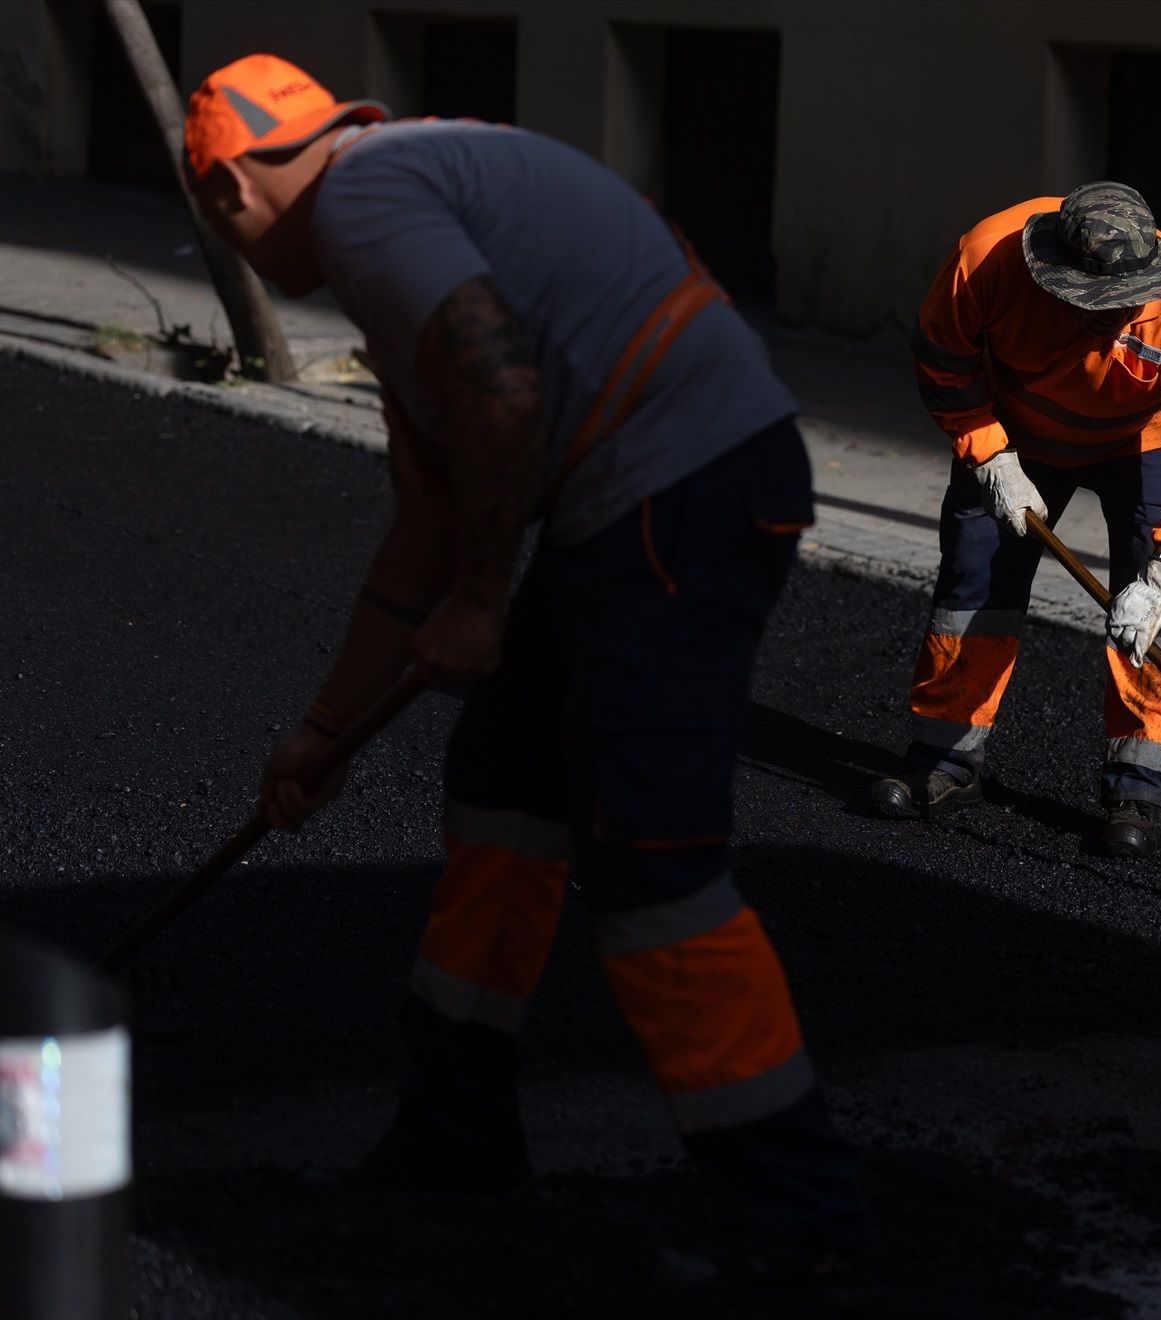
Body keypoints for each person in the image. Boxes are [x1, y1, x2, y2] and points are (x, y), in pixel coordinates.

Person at [180, 53, 862, 1279]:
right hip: (641, 495)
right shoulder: (401, 208)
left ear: (229, 187)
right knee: (502, 783)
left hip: (682, 486)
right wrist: (324, 732)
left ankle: (792, 1218)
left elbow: (498, 395)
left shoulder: (363, 207)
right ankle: (457, 1130)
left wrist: (488, 602)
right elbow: (426, 527)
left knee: (651, 855)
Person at [869, 182, 1161, 858]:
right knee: (974, 589)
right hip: (1014, 436)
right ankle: (944, 763)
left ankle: (1141, 787)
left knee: (1151, 615)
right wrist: (991, 457)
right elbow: (941, 362)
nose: (1109, 320)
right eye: (1090, 308)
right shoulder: (986, 259)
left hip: (1142, 444)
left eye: (1121, 309)